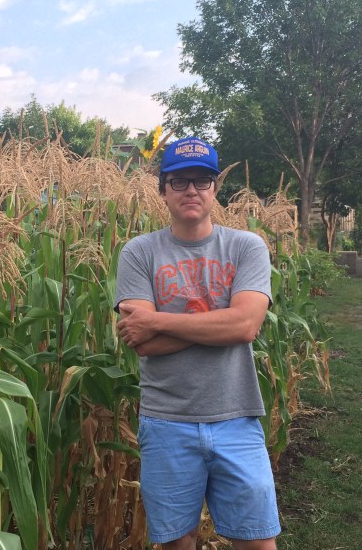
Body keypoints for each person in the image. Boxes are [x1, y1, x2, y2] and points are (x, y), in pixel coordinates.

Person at [114, 136, 280, 549]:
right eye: (179, 181)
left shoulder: (246, 246)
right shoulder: (139, 253)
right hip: (166, 421)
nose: (191, 190)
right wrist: (217, 322)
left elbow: (245, 326)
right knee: (177, 542)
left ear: (215, 189)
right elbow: (143, 342)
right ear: (163, 190)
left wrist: (157, 320)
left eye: (202, 181)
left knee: (258, 541)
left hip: (237, 418)